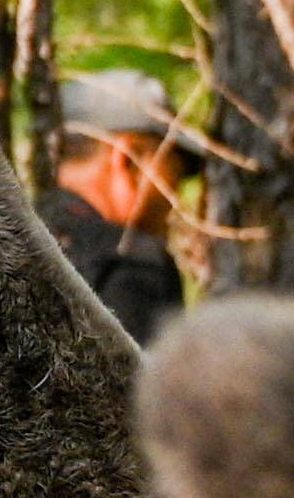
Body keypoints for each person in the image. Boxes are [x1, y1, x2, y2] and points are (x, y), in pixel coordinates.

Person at [45, 68, 190, 342]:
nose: (176, 194)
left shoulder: (2, 237)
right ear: (126, 159)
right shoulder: (132, 263)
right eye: (177, 169)